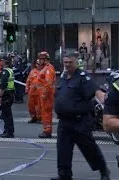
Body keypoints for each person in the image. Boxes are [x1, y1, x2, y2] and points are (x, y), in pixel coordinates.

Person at [51, 51, 110, 180]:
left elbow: (97, 92)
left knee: (89, 149)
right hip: (64, 122)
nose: (67, 65)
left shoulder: (83, 77)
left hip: (80, 122)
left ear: (76, 62)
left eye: (70, 63)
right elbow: (60, 95)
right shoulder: (63, 76)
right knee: (63, 150)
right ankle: (64, 175)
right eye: (65, 62)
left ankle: (103, 170)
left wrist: (108, 108)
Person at [37, 51, 56, 138]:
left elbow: (48, 83)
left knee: (46, 113)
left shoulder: (48, 69)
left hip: (46, 95)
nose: (39, 61)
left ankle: (47, 131)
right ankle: (46, 129)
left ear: (45, 59)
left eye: (41, 59)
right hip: (44, 94)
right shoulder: (45, 68)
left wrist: (44, 94)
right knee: (44, 112)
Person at [0, 56, 15, 138]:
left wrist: (0, 96)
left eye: (1, 60)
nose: (0, 62)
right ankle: (7, 130)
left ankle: (9, 132)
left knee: (7, 115)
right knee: (6, 114)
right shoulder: (9, 70)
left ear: (5, 62)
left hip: (6, 95)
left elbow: (3, 85)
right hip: (10, 94)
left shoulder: (5, 72)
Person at [26, 59, 42, 124]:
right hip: (31, 92)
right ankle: (33, 117)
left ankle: (39, 118)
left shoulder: (44, 71)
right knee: (30, 105)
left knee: (39, 106)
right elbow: (28, 80)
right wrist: (27, 89)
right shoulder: (33, 71)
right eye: (38, 64)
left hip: (40, 92)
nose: (39, 66)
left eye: (41, 64)